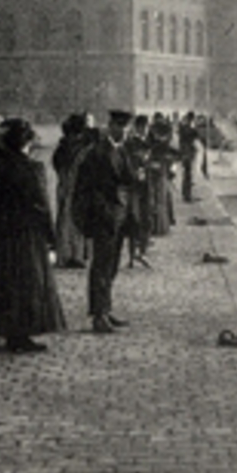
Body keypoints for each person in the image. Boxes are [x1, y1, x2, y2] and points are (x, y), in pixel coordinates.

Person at [0, 118, 66, 353]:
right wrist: (51, 238)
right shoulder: (31, 168)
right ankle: (23, 334)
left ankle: (11, 333)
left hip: (5, 233)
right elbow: (41, 205)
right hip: (28, 233)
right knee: (29, 283)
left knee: (7, 282)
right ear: (26, 142)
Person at [73, 109, 138, 334]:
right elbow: (87, 188)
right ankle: (98, 316)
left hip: (119, 217)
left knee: (111, 266)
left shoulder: (122, 150)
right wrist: (103, 212)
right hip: (104, 218)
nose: (126, 132)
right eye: (122, 127)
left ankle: (106, 309)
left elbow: (129, 180)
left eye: (127, 128)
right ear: (112, 127)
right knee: (101, 267)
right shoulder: (97, 153)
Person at [51, 113, 93, 269]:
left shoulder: (62, 148)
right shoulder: (84, 148)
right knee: (77, 219)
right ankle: (77, 254)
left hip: (65, 186)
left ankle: (65, 253)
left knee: (64, 218)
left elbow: (56, 165)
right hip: (78, 187)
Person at [122, 115, 152, 268]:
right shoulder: (130, 144)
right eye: (144, 127)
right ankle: (133, 255)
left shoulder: (147, 143)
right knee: (134, 219)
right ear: (139, 127)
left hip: (145, 186)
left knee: (146, 218)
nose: (145, 129)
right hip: (134, 186)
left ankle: (142, 252)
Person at [177, 111, 202, 202]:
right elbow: (196, 136)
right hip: (187, 154)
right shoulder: (189, 130)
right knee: (188, 175)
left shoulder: (182, 128)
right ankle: (187, 195)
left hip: (184, 153)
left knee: (186, 174)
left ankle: (186, 194)